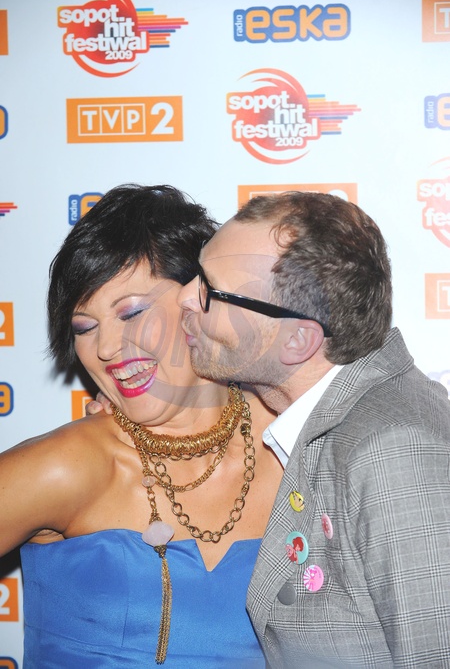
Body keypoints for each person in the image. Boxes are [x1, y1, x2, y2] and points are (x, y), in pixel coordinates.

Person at [0, 184, 283, 668]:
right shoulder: (68, 466)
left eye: (131, 312)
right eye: (84, 327)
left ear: (202, 298)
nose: (106, 348)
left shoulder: (297, 446)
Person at [177, 191, 450, 668]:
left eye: (210, 291)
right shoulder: (332, 418)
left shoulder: (392, 450)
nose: (184, 297)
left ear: (298, 340)